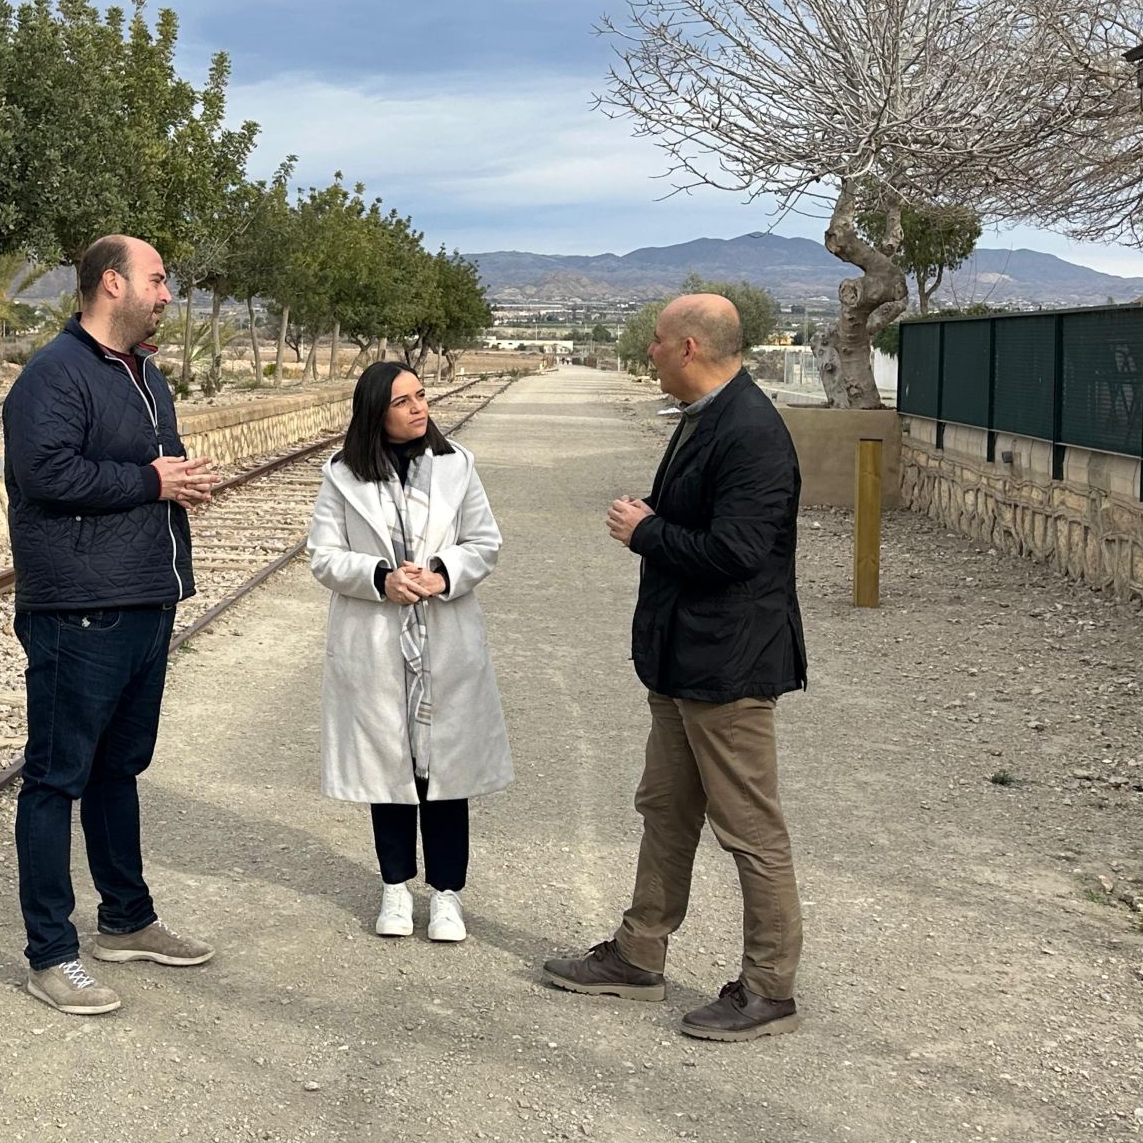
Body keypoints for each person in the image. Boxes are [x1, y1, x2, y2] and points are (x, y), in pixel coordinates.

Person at [542, 293, 807, 1042]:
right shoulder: (711, 417)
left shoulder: (752, 431)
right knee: (665, 809)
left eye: (657, 342)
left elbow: (738, 553)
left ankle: (769, 990)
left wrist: (647, 531)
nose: (648, 353)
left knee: (750, 831)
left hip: (729, 669)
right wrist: (658, 523)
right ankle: (637, 953)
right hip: (682, 662)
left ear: (689, 348)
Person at [1, 234, 222, 1015]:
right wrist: (151, 479)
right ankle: (50, 954)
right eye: (158, 281)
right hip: (79, 610)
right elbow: (48, 475)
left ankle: (127, 919)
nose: (168, 295)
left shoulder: (146, 376)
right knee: (55, 779)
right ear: (110, 285)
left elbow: (148, 473)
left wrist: (177, 482)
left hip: (146, 600)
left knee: (117, 770)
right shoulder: (52, 376)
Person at [307, 361, 510, 943]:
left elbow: (484, 543)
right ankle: (394, 887)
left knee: (445, 775)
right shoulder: (341, 475)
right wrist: (379, 578)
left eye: (421, 396)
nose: (420, 407)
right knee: (390, 771)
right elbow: (323, 554)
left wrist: (444, 574)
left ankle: (447, 896)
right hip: (374, 640)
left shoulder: (457, 466)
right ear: (376, 412)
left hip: (444, 638)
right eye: (403, 401)